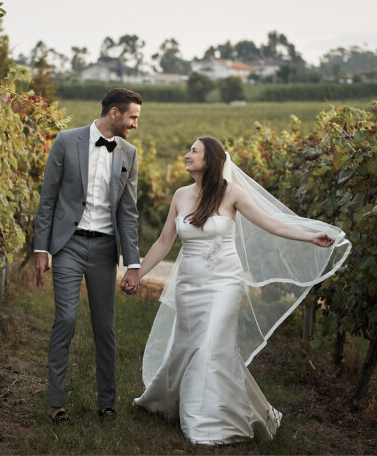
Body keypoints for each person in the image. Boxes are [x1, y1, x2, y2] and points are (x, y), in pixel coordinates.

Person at [134, 136, 350, 445]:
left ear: (210, 159)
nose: (186, 155)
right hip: (189, 286)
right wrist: (137, 274)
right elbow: (164, 241)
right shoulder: (180, 195)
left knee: (210, 346)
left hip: (224, 283)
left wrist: (309, 236)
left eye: (193, 151)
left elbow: (270, 223)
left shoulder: (231, 193)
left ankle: (202, 422)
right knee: (187, 346)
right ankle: (180, 401)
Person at [34, 88, 144, 424]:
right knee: (65, 320)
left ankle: (107, 402)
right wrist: (41, 248)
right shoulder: (66, 141)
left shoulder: (129, 153)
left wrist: (133, 263)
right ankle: (56, 403)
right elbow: (48, 198)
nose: (135, 125)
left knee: (104, 327)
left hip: (104, 249)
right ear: (114, 113)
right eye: (132, 117)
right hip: (68, 244)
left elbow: (128, 212)